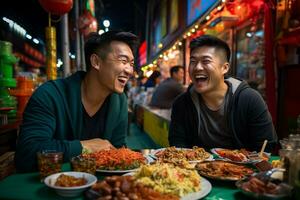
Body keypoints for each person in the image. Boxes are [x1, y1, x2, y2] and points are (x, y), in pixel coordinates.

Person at [15, 31, 139, 172]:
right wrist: (84, 147)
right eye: (123, 61)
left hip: (98, 187)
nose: (129, 70)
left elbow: (118, 150)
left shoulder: (119, 101)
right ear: (96, 62)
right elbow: (27, 154)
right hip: (51, 186)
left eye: (131, 64)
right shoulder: (50, 95)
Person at [169, 35, 277, 152]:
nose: (197, 67)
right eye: (193, 61)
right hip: (195, 168)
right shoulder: (182, 104)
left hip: (245, 169)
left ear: (224, 68)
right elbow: (178, 148)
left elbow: (266, 148)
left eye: (206, 61)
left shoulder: (249, 99)